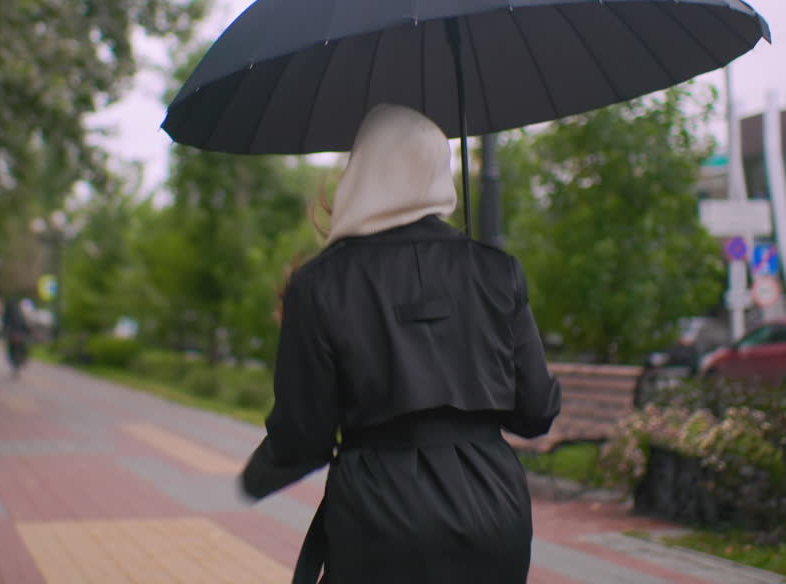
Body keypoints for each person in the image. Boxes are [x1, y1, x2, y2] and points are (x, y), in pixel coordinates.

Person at [239, 103, 562, 583]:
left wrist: (255, 479)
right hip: (493, 509)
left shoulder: (320, 284)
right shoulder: (496, 271)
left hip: (378, 512)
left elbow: (304, 434)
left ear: (362, 172)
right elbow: (535, 414)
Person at [1, 297, 31, 377]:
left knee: (14, 347)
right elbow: (25, 325)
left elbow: (5, 325)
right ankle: (23, 359)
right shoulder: (19, 313)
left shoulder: (8, 314)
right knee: (23, 346)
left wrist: (5, 332)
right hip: (17, 334)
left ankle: (20, 359)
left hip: (14, 334)